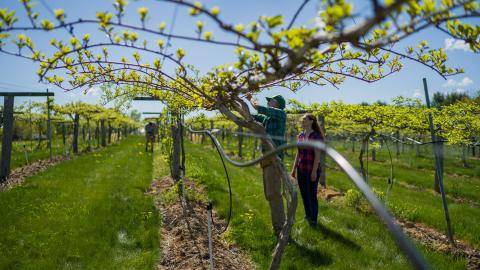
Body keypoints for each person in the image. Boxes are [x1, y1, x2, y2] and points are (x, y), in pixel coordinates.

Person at [246, 93, 287, 238]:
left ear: (278, 104)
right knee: (269, 193)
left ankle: (281, 228)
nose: (269, 103)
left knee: (274, 193)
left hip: (275, 159)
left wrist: (250, 99)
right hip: (267, 159)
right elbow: (251, 116)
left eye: (272, 101)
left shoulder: (281, 114)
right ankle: (277, 226)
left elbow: (259, 108)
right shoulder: (267, 119)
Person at [291, 113, 325, 227]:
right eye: (302, 119)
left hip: (312, 169)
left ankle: (314, 220)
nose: (302, 120)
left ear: (311, 121)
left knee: (312, 194)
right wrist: (294, 169)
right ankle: (307, 215)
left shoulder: (316, 136)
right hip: (301, 168)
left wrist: (314, 171)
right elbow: (298, 153)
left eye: (305, 119)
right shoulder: (300, 136)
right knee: (304, 194)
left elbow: (317, 155)